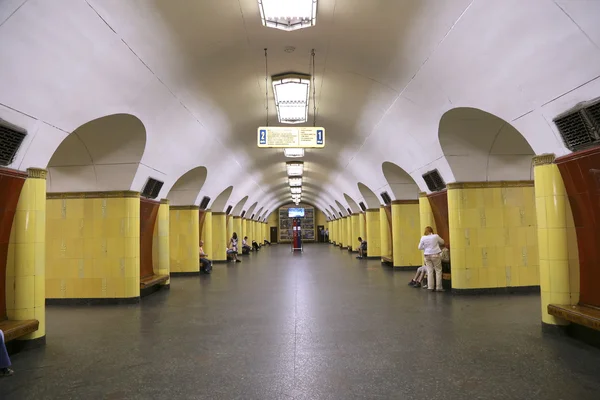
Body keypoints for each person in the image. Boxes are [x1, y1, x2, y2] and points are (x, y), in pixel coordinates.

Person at [418, 226, 445, 292]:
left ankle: (430, 287)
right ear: (431, 231)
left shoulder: (423, 238)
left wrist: (426, 248)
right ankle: (438, 287)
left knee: (429, 271)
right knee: (438, 270)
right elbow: (442, 242)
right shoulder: (435, 236)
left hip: (427, 255)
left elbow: (419, 247)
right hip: (435, 255)